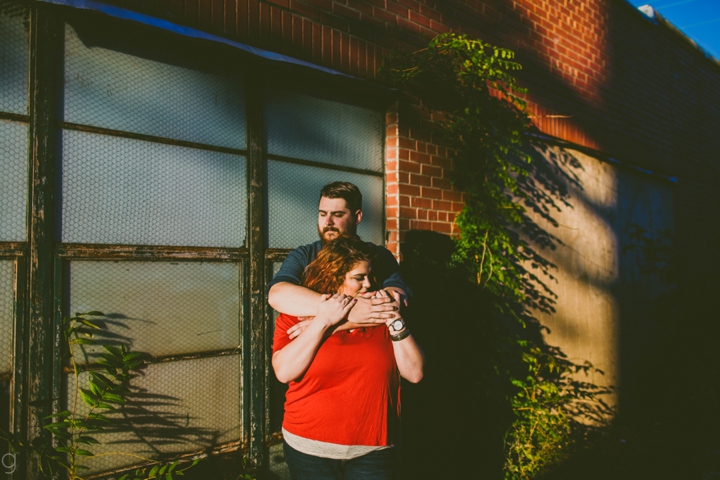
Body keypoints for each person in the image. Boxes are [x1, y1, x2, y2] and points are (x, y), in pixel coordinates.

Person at [272, 236, 424, 479]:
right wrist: (323, 322)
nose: (370, 284)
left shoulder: (381, 313)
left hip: (373, 449)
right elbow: (284, 372)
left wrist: (394, 318)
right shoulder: (297, 317)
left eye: (370, 276)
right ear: (333, 276)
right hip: (308, 447)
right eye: (358, 278)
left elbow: (414, 373)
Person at [268, 181, 411, 336]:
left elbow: (397, 301)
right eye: (323, 214)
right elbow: (277, 295)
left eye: (337, 215)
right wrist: (351, 310)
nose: (328, 222)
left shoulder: (378, 255)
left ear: (357, 217)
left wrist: (337, 323)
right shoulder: (304, 255)